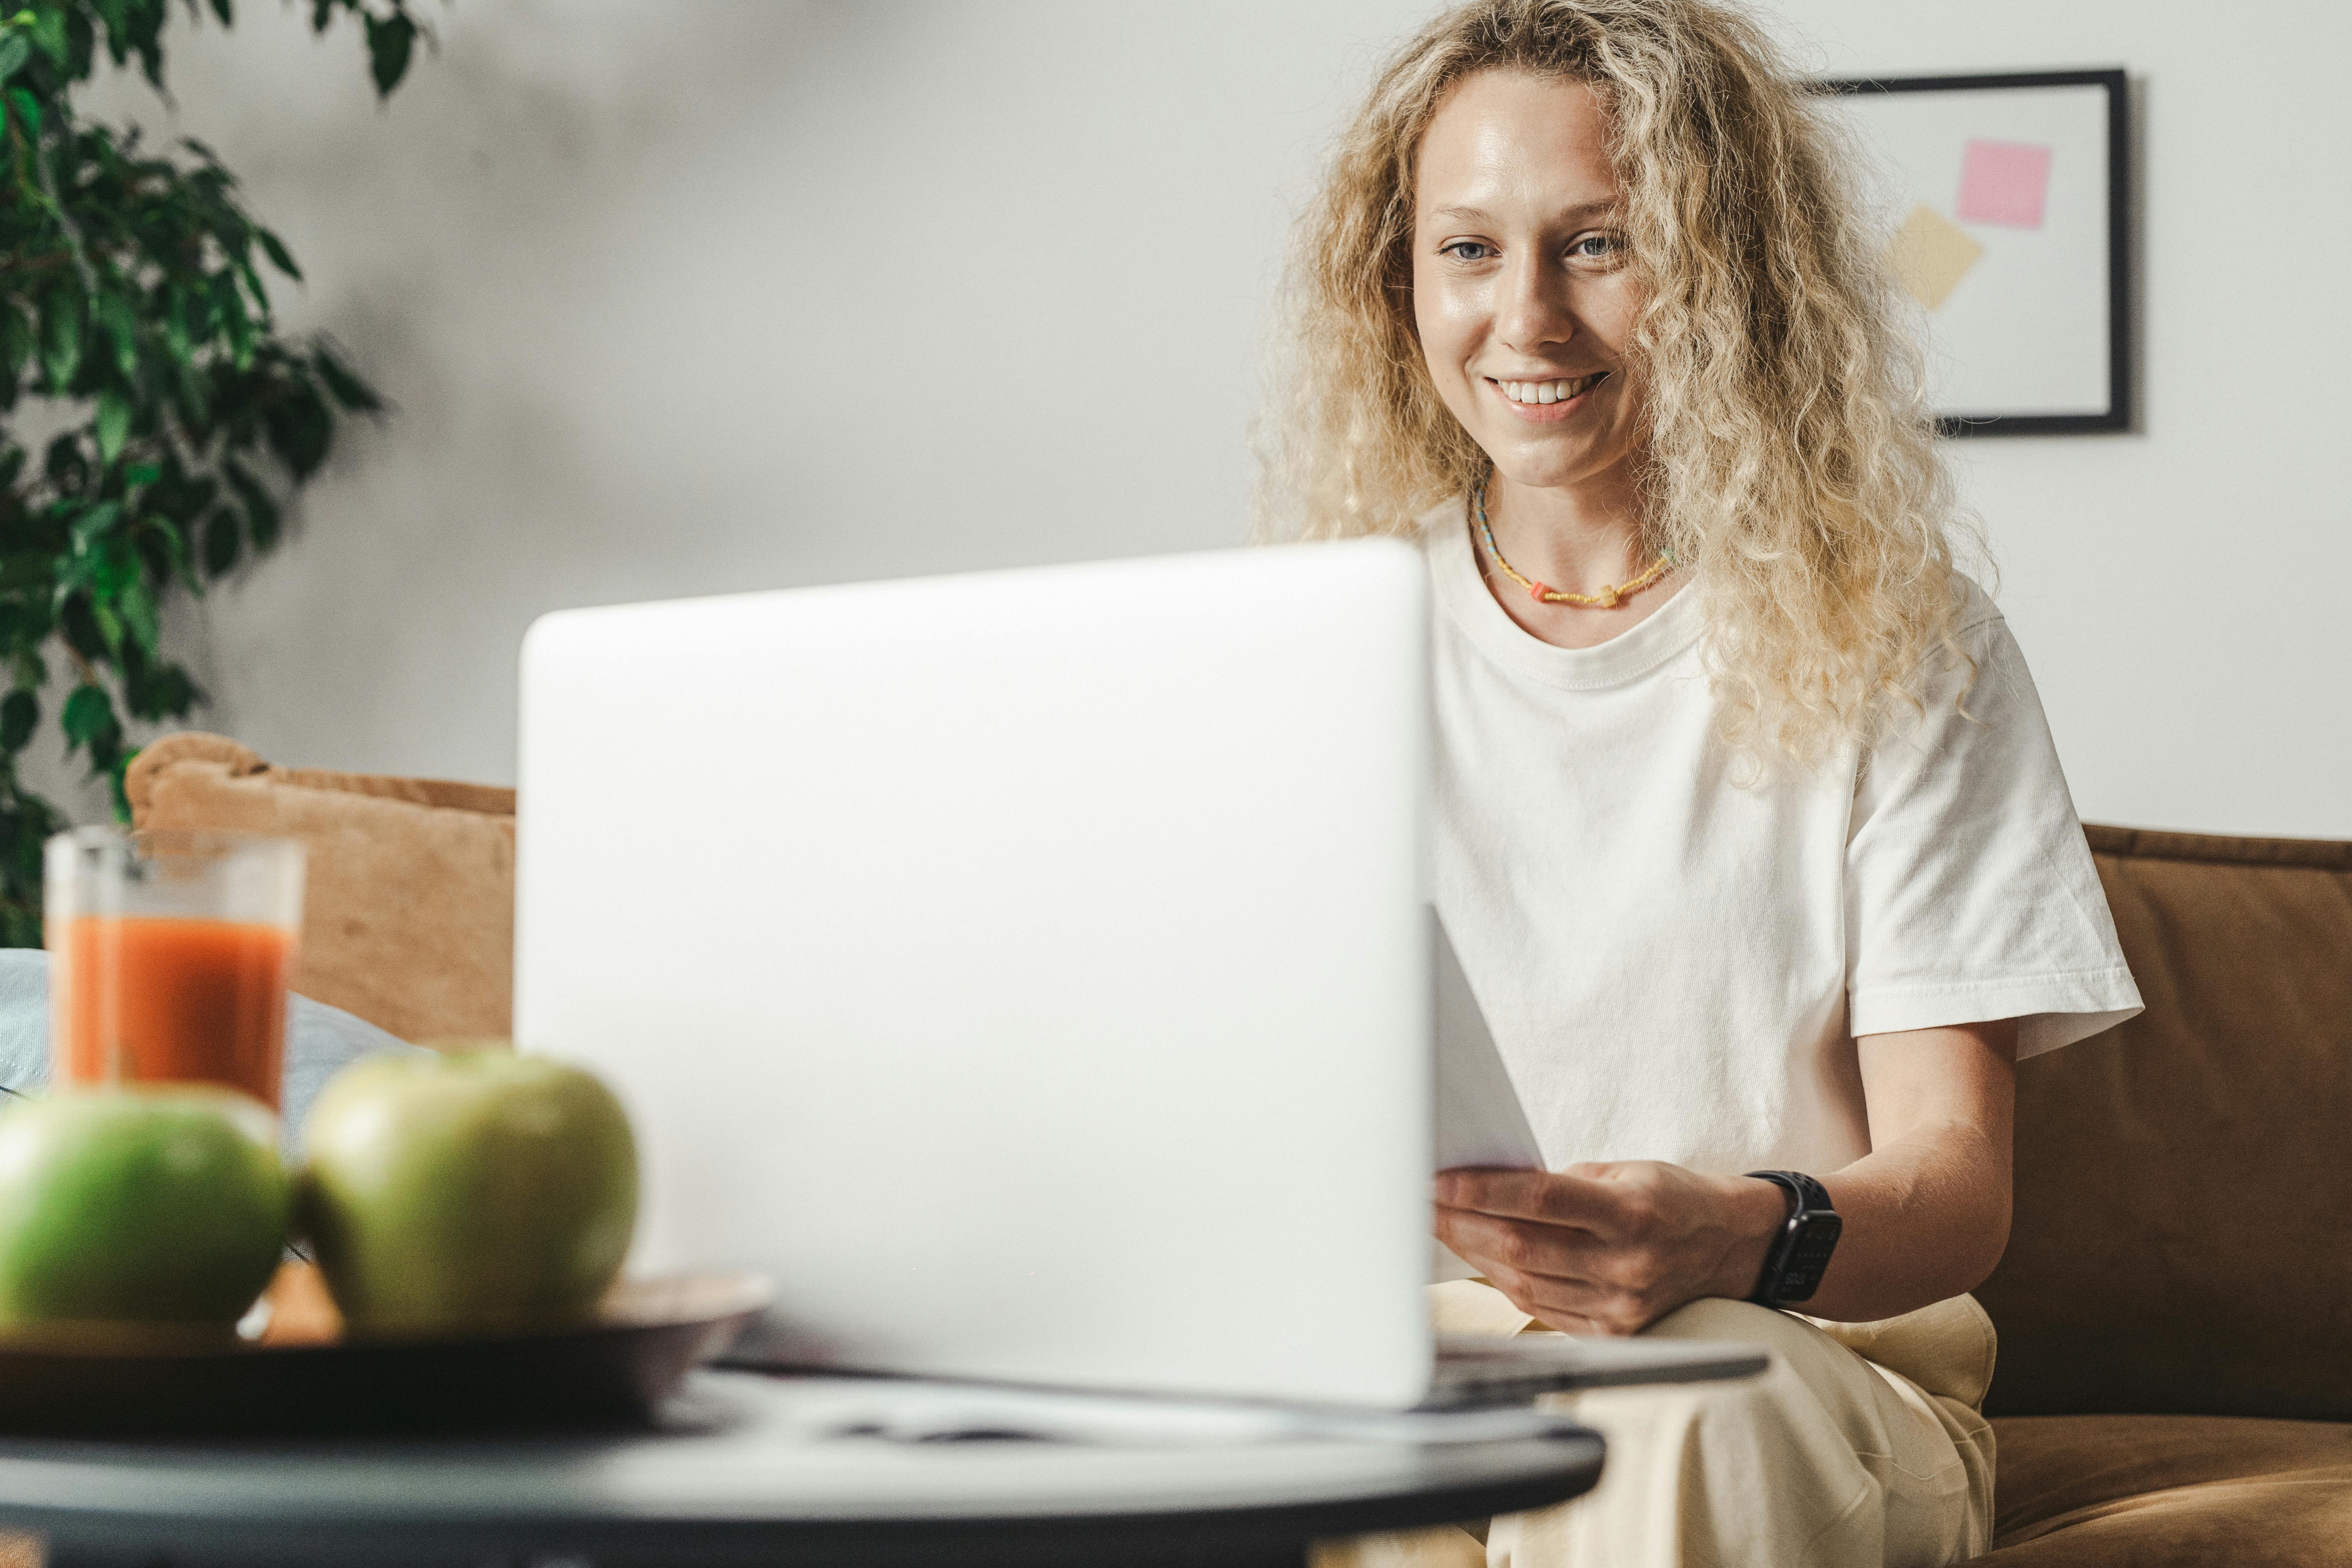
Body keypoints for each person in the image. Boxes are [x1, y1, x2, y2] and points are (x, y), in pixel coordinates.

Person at [1257, 3, 2141, 1565]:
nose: (1525, 317)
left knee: (1652, 1409)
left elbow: (1956, 1186)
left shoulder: (1904, 641)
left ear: (1725, 273)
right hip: (1417, 1373)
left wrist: (1738, 1227)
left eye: (1597, 245)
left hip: (1798, 1375)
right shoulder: (1316, 647)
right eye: (1469, 249)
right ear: (1396, 281)